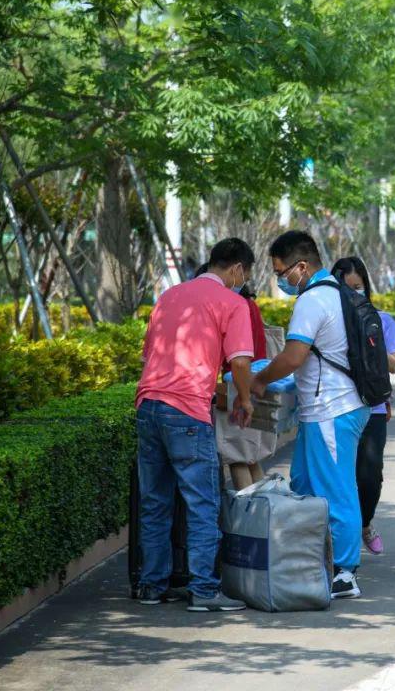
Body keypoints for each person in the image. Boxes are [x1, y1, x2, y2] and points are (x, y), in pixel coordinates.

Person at [135, 238, 255, 612]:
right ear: (236, 269)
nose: (241, 281)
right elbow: (239, 363)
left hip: (148, 405)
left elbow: (150, 353)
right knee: (202, 504)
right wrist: (245, 400)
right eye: (244, 274)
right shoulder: (233, 303)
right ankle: (204, 590)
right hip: (186, 411)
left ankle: (151, 587)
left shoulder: (170, 296)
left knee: (155, 503)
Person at [251, 231, 370, 600]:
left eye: (282, 271)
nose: (281, 279)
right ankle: (317, 559)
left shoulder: (313, 299)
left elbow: (293, 356)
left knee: (336, 491)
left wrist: (259, 380)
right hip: (327, 410)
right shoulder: (338, 293)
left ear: (301, 266)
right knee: (303, 484)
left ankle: (346, 572)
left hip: (332, 410)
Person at [331, 256, 395, 556]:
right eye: (345, 290)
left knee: (370, 474)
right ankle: (340, 536)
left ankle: (366, 523)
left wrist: (372, 341)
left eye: (357, 288)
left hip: (371, 407)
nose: (352, 295)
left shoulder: (382, 320)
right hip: (335, 407)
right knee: (338, 475)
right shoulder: (330, 322)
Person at [190, 262, 272, 492]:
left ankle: (249, 521)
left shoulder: (234, 306)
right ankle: (265, 515)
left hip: (235, 387)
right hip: (256, 382)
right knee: (251, 457)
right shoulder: (250, 305)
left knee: (237, 457)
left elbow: (236, 359)